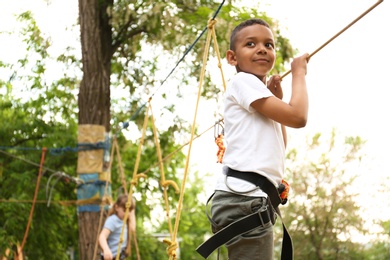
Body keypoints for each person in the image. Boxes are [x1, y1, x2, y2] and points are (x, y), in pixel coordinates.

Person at [205, 18, 309, 259]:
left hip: (248, 199)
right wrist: (299, 74)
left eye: (269, 45)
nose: (262, 49)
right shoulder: (243, 81)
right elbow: (299, 117)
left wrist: (277, 98)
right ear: (233, 58)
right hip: (245, 199)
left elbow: (280, 145)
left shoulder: (254, 93)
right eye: (251, 44)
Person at [99, 194, 136, 260]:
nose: (127, 214)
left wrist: (131, 209)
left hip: (119, 256)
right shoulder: (113, 220)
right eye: (125, 211)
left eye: (129, 211)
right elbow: (102, 236)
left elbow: (132, 229)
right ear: (117, 208)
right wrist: (106, 249)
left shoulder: (125, 220)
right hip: (110, 257)